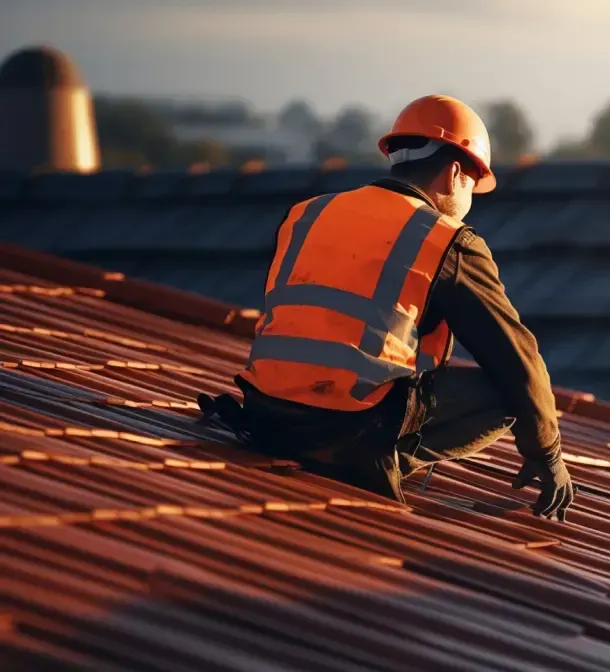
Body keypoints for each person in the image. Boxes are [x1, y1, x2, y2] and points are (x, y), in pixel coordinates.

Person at [198, 95, 575, 521]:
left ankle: (363, 450)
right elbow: (519, 362)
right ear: (455, 174)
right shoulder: (447, 240)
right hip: (346, 428)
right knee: (508, 392)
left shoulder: (308, 213)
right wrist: (548, 453)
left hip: (264, 415)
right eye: (473, 184)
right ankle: (380, 459)